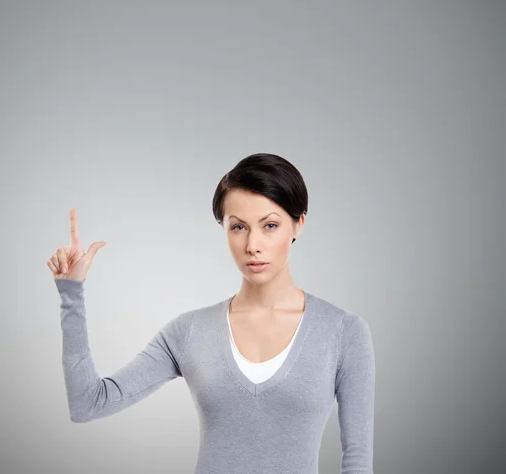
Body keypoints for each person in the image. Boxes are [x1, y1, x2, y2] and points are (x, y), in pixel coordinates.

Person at [47, 153, 375, 474]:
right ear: (224, 229)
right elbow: (88, 404)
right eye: (238, 227)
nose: (253, 244)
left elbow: (357, 460)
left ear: (298, 224)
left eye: (270, 225)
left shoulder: (343, 333)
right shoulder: (189, 332)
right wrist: (71, 292)